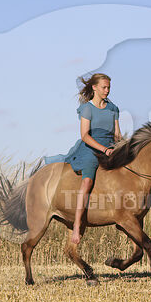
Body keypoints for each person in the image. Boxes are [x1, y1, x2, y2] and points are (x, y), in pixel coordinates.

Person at [43, 73, 122, 244]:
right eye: (104, 87)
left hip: (110, 149)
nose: (107, 91)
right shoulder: (87, 108)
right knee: (87, 182)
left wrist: (121, 148)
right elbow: (85, 135)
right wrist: (103, 149)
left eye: (109, 87)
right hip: (91, 150)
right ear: (94, 88)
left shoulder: (113, 108)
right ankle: (77, 227)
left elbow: (117, 135)